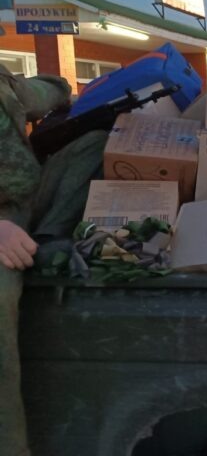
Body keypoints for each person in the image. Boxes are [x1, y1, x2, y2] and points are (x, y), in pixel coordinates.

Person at [0, 64, 107, 456]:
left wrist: (67, 92)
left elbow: (50, 91)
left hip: (25, 201)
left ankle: (44, 239)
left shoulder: (4, 84)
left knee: (95, 142)